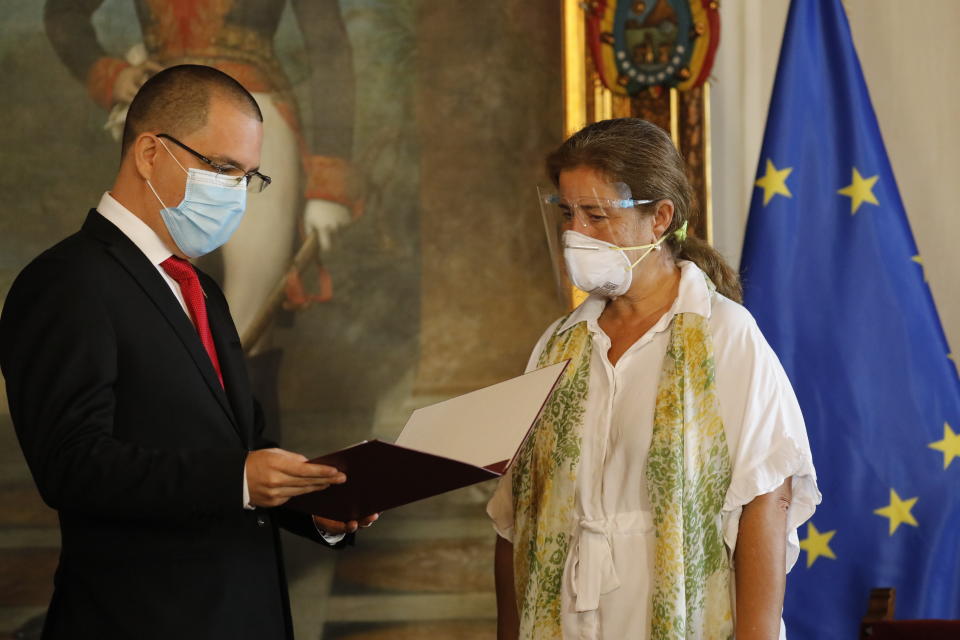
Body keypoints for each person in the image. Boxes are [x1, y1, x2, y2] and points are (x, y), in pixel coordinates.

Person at [0, 65, 374, 640]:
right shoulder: (66, 281)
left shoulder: (200, 289)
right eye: (223, 169)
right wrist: (240, 480)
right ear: (149, 153)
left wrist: (314, 509)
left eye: (249, 177)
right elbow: (71, 466)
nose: (236, 192)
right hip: (137, 621)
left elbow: (240, 448)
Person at [488, 118, 820, 640]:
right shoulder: (558, 344)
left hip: (676, 616)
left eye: (596, 215)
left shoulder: (723, 335)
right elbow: (515, 518)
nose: (577, 234)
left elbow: (766, 500)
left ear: (659, 218)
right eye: (568, 214)